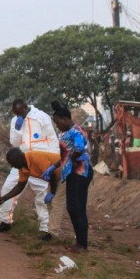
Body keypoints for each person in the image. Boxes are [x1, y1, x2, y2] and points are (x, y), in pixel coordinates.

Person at [0, 99, 59, 238]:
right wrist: (17, 128)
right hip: (21, 160)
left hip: (40, 162)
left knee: (42, 195)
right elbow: (14, 142)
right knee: (8, 188)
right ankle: (5, 221)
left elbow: (52, 138)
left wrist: (53, 163)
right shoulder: (15, 120)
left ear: (24, 107)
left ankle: (45, 228)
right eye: (16, 114)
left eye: (20, 112)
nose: (18, 115)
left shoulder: (41, 116)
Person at [48, 101, 93, 253]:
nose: (57, 126)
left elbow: (80, 150)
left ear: (65, 119)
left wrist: (69, 161)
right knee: (72, 208)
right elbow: (64, 156)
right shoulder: (67, 133)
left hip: (80, 172)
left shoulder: (76, 131)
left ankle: (82, 244)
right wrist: (53, 167)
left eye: (58, 122)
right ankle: (79, 242)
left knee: (77, 208)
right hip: (73, 172)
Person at [0, 148, 61, 227]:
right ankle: (51, 231)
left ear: (19, 159)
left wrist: (52, 192)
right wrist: (4, 198)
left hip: (66, 173)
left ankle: (54, 233)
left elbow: (51, 174)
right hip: (56, 179)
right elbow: (20, 186)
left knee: (57, 203)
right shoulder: (23, 167)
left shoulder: (35, 157)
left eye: (13, 163)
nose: (12, 166)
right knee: (51, 205)